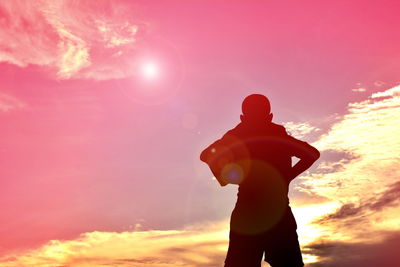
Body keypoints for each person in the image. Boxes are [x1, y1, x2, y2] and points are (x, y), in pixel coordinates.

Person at [200, 94, 320, 267]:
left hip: (249, 216)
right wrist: (287, 177)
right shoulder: (278, 138)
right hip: (277, 214)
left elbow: (206, 155)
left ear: (242, 117)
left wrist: (228, 176)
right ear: (270, 116)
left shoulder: (236, 137)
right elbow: (312, 154)